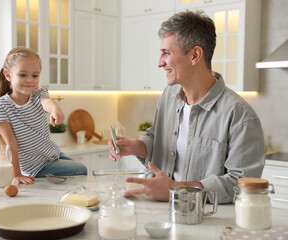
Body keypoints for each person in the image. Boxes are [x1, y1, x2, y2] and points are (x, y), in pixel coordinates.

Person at [109, 11, 265, 204]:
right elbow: (156, 138)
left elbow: (242, 185)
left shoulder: (240, 115)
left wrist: (177, 190)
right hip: (161, 212)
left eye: (166, 53)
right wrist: (137, 147)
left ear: (195, 55)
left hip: (207, 224)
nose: (159, 63)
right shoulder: (169, 96)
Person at [0, 47, 87, 185]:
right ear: (8, 75)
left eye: (35, 75)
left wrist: (55, 109)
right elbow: (10, 143)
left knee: (81, 173)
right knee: (82, 169)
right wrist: (17, 174)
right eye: (23, 75)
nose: (29, 80)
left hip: (53, 154)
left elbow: (47, 102)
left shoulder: (38, 95)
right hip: (36, 167)